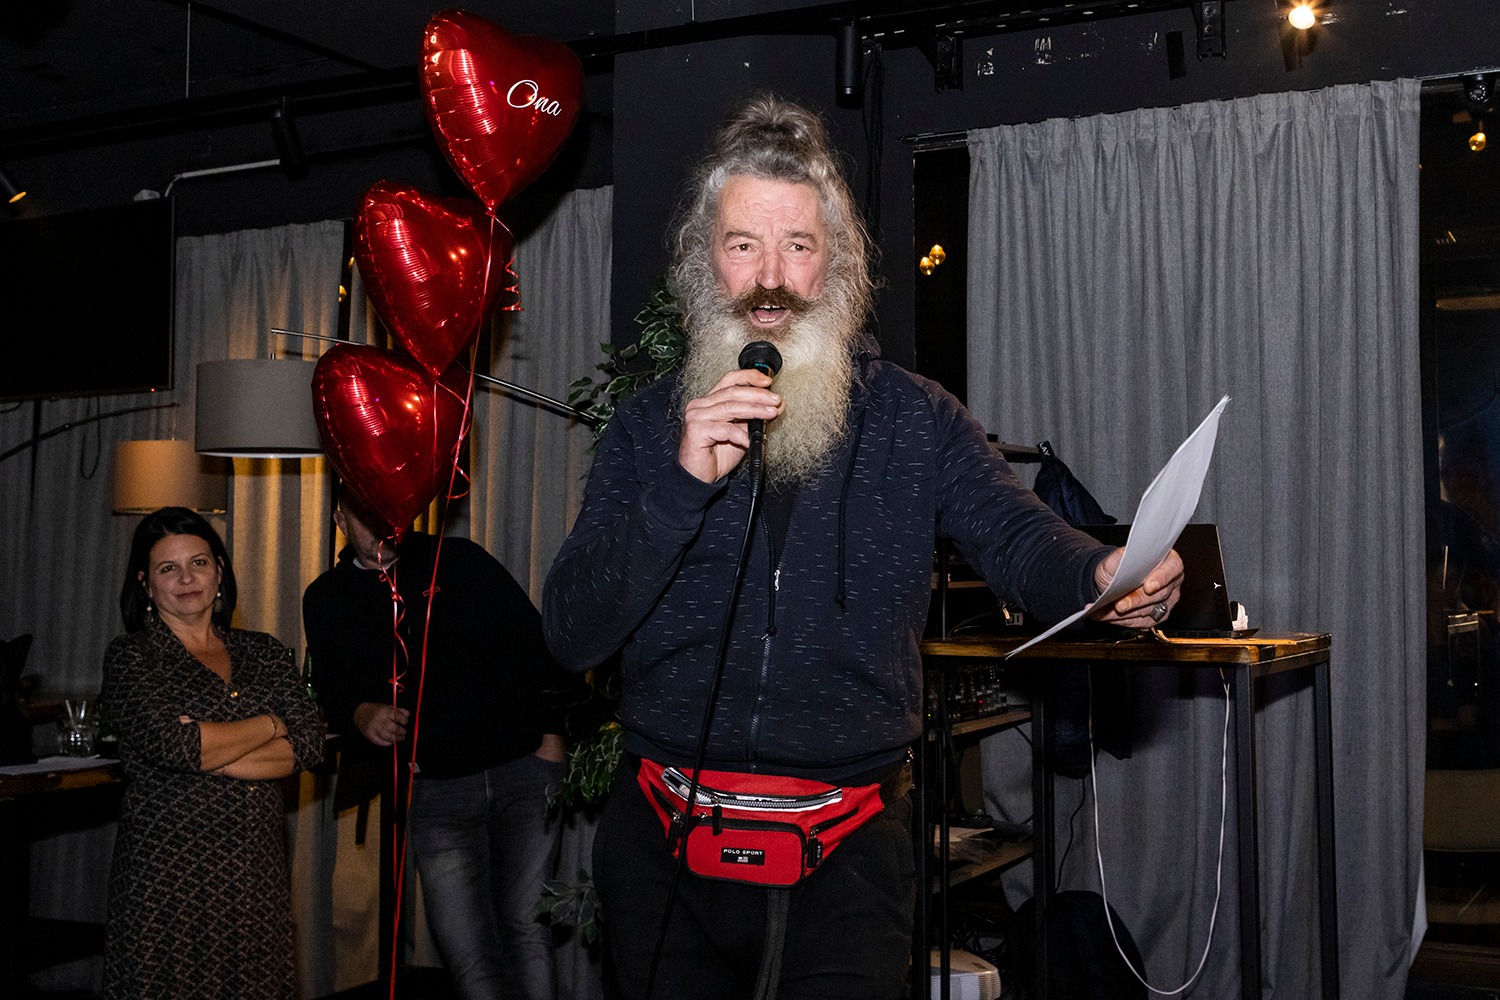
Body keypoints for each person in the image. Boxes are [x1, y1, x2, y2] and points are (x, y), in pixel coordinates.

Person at [541, 94, 1185, 1000]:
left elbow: (1017, 535)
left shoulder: (915, 418)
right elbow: (570, 631)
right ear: (703, 262)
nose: (770, 278)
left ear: (836, 262)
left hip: (848, 861)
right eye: (743, 245)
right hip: (664, 858)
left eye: (798, 246)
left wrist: (1100, 573)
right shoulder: (649, 428)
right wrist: (679, 487)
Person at [302, 494, 572, 1000]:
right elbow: (332, 692)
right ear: (339, 520)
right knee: (466, 947)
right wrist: (360, 713)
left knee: (526, 927)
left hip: (523, 770)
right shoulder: (326, 597)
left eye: (386, 510)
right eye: (364, 513)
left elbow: (536, 647)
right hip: (436, 791)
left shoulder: (460, 560)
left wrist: (553, 736)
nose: (380, 524)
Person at [101, 506, 324, 999]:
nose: (187, 579)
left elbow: (309, 744)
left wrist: (210, 749)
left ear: (219, 570)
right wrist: (272, 724)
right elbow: (177, 746)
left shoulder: (264, 651)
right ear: (145, 584)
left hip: (255, 876)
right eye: (168, 568)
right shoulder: (131, 657)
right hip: (167, 880)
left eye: (198, 563)